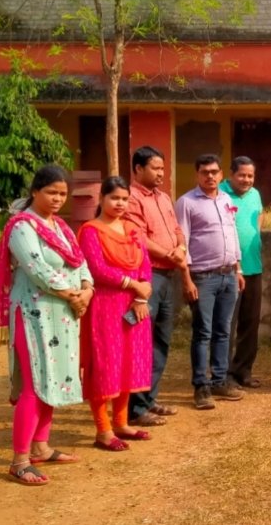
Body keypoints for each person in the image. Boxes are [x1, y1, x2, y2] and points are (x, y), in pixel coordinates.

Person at [0, 164, 93, 486]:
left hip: (63, 314)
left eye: (63, 194)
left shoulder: (61, 226)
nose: (58, 199)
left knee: (54, 380)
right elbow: (37, 269)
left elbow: (81, 262)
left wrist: (87, 290)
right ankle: (20, 461)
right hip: (34, 313)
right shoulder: (21, 227)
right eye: (51, 192)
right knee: (35, 384)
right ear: (35, 191)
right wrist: (73, 296)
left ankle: (40, 446)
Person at [78, 176, 155, 451]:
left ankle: (121, 423)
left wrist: (141, 295)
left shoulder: (132, 229)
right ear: (102, 198)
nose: (120, 204)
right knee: (105, 363)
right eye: (114, 198)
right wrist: (132, 284)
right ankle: (103, 430)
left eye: (124, 199)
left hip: (135, 305)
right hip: (105, 305)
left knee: (127, 362)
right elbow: (96, 269)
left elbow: (145, 265)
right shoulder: (91, 231)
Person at [176, 154, 245, 409]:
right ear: (197, 174)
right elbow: (182, 242)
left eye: (214, 172)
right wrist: (186, 279)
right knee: (203, 332)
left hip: (229, 275)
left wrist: (238, 269)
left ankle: (219, 380)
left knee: (223, 331)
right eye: (205, 172)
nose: (210, 176)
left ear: (221, 174)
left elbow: (232, 235)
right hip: (202, 277)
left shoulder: (226, 199)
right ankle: (201, 386)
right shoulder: (186, 203)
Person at [125, 145, 186, 427]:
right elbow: (138, 237)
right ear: (138, 169)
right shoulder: (131, 198)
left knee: (162, 340)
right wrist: (168, 254)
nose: (161, 173)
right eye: (155, 168)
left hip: (168, 275)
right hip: (148, 276)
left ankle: (149, 399)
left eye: (162, 168)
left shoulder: (163, 198)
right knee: (142, 342)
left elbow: (176, 230)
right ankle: (135, 408)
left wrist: (181, 248)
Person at [221, 156, 265, 389]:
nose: (246, 180)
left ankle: (243, 371)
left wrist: (256, 233)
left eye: (250, 175)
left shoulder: (255, 194)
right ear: (231, 174)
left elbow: (260, 214)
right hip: (228, 270)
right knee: (227, 324)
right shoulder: (220, 193)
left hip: (254, 267)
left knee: (250, 323)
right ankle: (224, 374)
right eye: (242, 175)